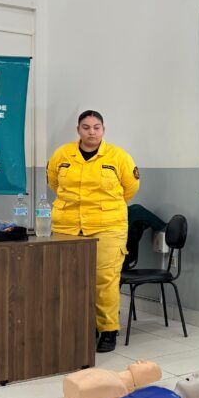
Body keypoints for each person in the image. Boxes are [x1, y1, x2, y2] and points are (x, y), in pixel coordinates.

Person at [47, 110, 140, 353]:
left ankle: (108, 330)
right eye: (86, 127)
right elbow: (54, 182)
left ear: (103, 130)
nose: (91, 132)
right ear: (78, 130)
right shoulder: (62, 155)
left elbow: (130, 189)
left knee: (104, 280)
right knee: (67, 279)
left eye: (96, 127)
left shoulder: (118, 157)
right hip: (67, 226)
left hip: (107, 226)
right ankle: (78, 327)